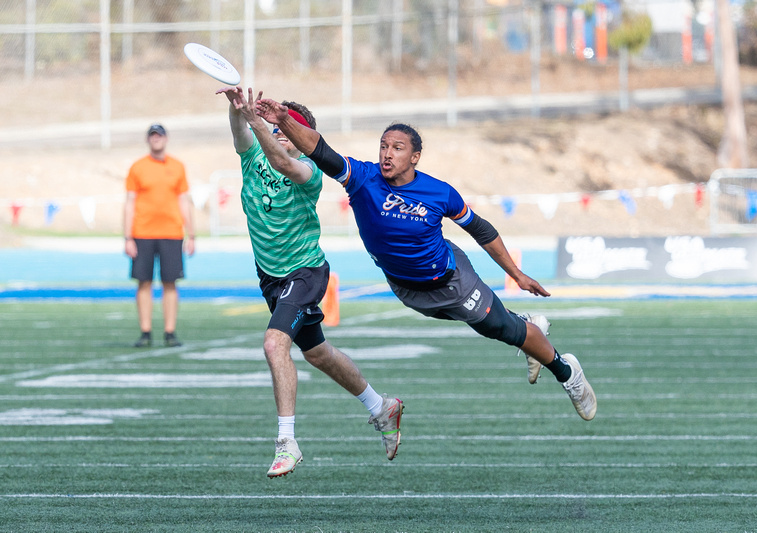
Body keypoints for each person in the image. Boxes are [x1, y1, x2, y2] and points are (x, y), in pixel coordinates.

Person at [257, 99, 597, 421]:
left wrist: (516, 274)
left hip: (452, 282)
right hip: (407, 289)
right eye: (383, 146)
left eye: (397, 148)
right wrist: (284, 120)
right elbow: (320, 148)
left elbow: (481, 230)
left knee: (502, 330)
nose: (387, 154)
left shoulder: (439, 192)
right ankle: (527, 326)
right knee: (501, 326)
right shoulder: (361, 178)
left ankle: (568, 373)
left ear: (415, 156)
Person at [216, 86, 403, 478]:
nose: (281, 134)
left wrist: (257, 121)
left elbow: (284, 164)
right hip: (271, 277)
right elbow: (241, 135)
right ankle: (380, 406)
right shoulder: (253, 156)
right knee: (317, 353)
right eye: (278, 129)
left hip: (305, 272)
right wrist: (239, 111)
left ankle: (287, 441)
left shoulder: (310, 172)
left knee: (273, 343)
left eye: (289, 131)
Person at [124, 123, 195, 348]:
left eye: (159, 135)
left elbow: (184, 201)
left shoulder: (178, 167)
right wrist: (127, 237)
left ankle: (169, 332)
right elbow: (129, 202)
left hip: (171, 233)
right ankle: (145, 331)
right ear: (148, 139)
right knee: (143, 283)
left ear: (166, 138)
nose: (156, 139)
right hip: (142, 232)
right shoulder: (137, 167)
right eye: (153, 136)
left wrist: (191, 234)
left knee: (170, 283)